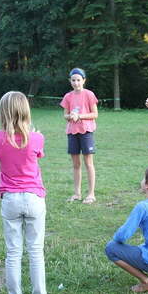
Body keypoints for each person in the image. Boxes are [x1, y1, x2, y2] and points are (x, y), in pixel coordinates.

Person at [0, 92, 47, 294]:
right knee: (35, 252)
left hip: (10, 199)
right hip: (34, 197)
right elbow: (38, 153)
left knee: (13, 252)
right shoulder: (37, 137)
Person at [60, 68, 98, 204]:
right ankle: (77, 193)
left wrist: (80, 116)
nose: (76, 83)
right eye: (73, 80)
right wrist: (70, 116)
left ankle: (91, 194)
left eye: (78, 80)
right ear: (70, 81)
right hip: (72, 132)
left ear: (84, 81)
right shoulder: (68, 96)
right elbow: (65, 115)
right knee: (76, 164)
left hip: (86, 132)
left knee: (88, 163)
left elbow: (95, 114)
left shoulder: (89, 94)